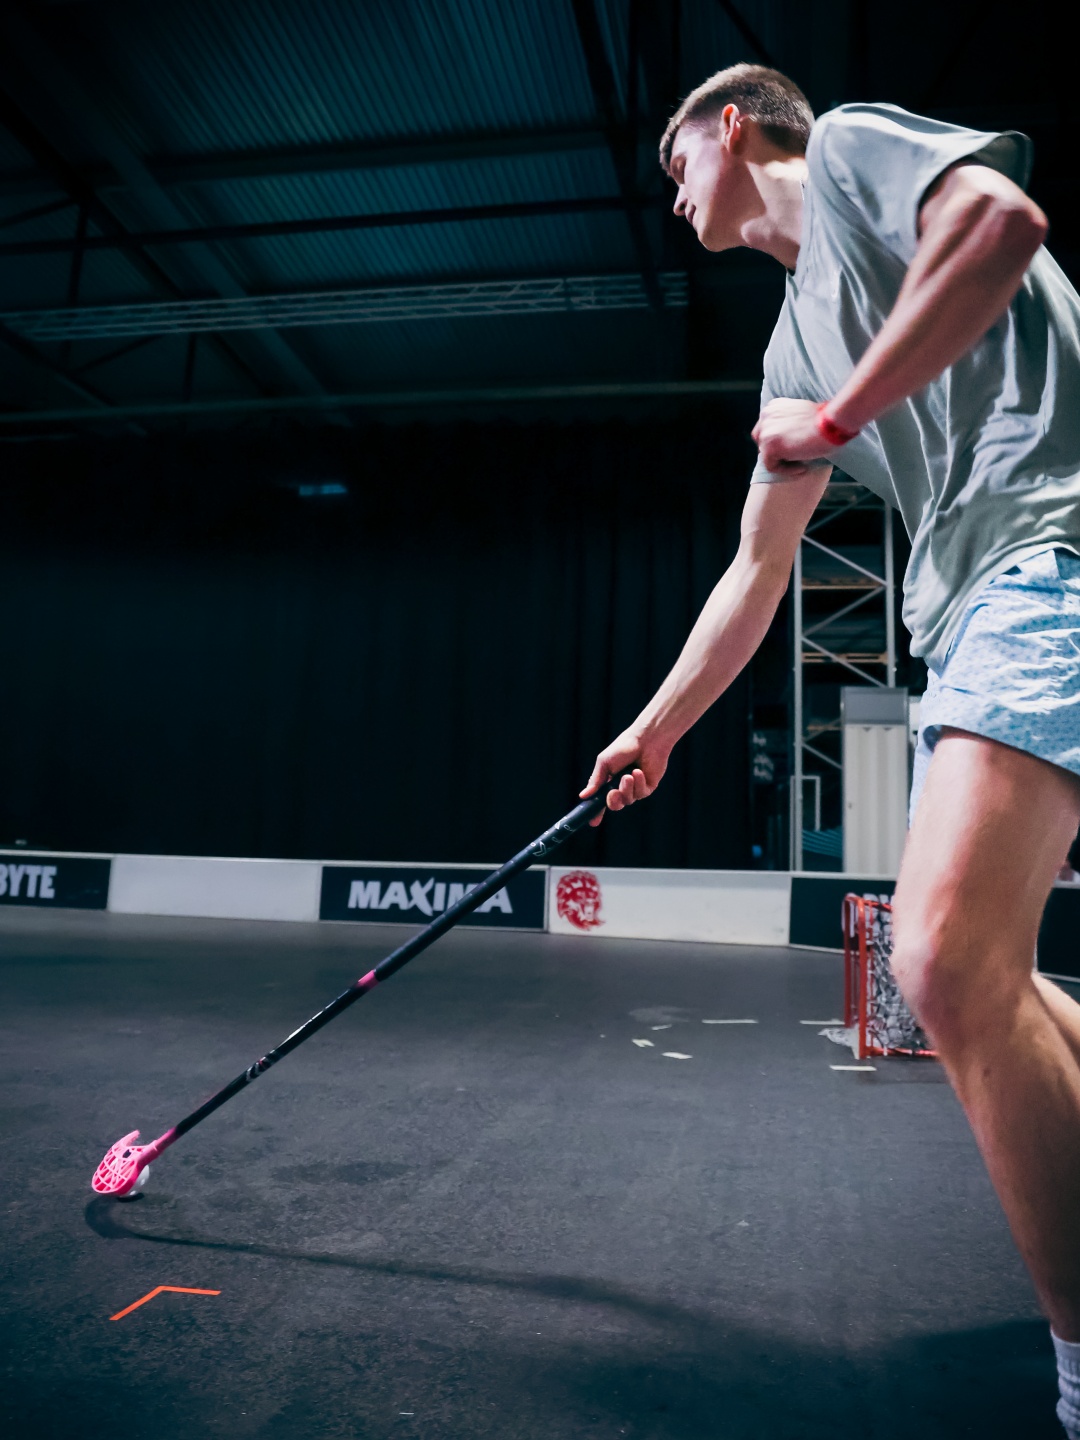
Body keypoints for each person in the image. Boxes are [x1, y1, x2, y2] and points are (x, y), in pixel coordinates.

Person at [582, 62, 1080, 1435]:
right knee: (988, 980)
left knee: (944, 960)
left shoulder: (856, 150)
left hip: (1051, 553)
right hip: (968, 612)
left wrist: (843, 419)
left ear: (733, 125)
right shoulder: (786, 355)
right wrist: (655, 730)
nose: (672, 193)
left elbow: (1001, 224)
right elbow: (756, 575)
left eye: (677, 159)